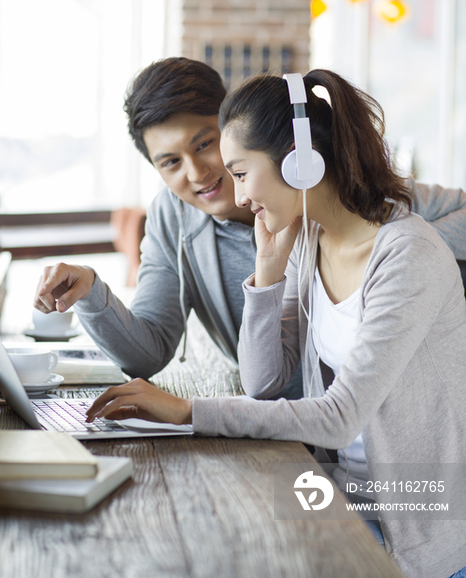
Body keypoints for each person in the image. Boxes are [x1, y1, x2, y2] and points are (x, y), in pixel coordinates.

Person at [84, 70, 466, 578]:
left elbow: (339, 417)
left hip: (413, 518)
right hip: (337, 488)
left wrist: (187, 412)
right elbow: (263, 383)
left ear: (301, 160)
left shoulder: (407, 254)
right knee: (202, 530)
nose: (238, 197)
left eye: (241, 172)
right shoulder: (309, 237)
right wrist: (266, 275)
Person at [34, 57, 466, 396]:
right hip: (282, 422)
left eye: (204, 144)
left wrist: (379, 261)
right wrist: (90, 292)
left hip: (357, 424)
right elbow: (149, 352)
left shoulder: (337, 190)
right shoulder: (174, 217)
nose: (198, 172)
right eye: (170, 162)